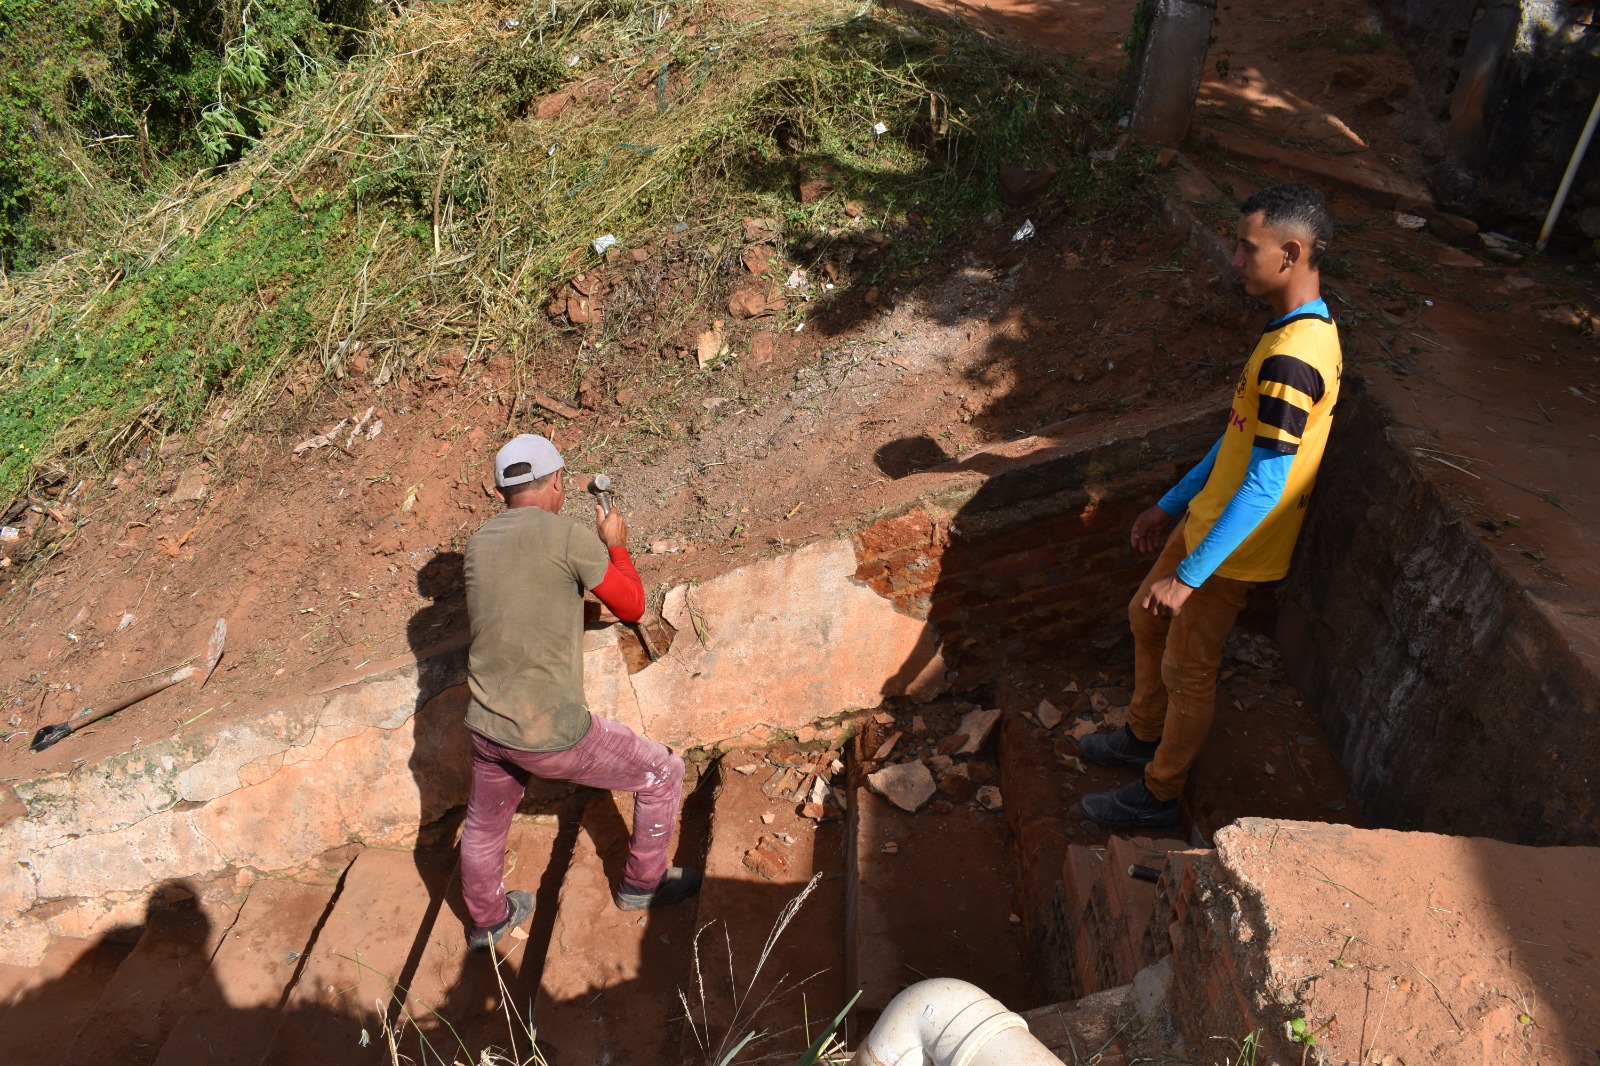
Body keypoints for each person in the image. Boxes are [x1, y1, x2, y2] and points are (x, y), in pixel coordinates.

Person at [1078, 183, 1343, 831]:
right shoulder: (1295, 334)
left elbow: (1266, 484)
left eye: (1245, 247)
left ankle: (1159, 795)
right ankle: (1143, 734)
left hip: (1232, 549)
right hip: (1205, 524)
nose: (1233, 259)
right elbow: (1237, 439)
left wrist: (1191, 575)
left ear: (1290, 252)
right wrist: (1171, 503)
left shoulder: (1292, 360)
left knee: (1187, 667)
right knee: (1144, 621)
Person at [458, 433, 700, 951]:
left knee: (482, 825)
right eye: (562, 482)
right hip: (548, 732)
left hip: (485, 724)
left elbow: (516, 607)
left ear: (503, 492)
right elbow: (633, 605)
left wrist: (580, 611)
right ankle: (643, 885)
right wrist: (615, 541)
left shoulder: (479, 542)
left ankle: (488, 922)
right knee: (662, 772)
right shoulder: (566, 535)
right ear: (554, 484)